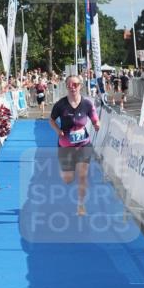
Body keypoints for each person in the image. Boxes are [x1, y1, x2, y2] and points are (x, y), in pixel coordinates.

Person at [49, 74, 100, 217]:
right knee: (68, 178)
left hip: (84, 144)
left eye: (76, 84)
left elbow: (94, 117)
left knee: (82, 176)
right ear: (66, 86)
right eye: (70, 85)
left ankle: (81, 205)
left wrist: (97, 124)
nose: (73, 87)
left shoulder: (87, 104)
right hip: (66, 145)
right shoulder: (60, 104)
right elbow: (51, 120)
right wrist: (58, 131)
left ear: (81, 86)